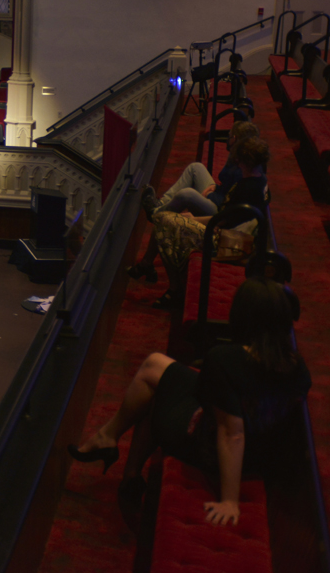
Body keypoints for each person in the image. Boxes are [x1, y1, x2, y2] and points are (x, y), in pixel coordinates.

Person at [68, 278, 309, 527]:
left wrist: (230, 500)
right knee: (154, 366)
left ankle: (121, 459)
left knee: (154, 392)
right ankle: (115, 450)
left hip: (212, 450)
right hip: (259, 452)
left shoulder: (225, 359)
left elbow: (232, 433)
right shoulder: (297, 367)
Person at [140, 135, 270, 310]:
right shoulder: (259, 179)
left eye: (239, 160)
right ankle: (156, 273)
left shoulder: (247, 187)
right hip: (233, 231)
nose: (237, 163)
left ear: (245, 162)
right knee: (167, 219)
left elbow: (222, 221)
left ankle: (175, 289)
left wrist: (192, 219)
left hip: (229, 241)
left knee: (164, 221)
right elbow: (228, 216)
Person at [127, 121, 260, 284]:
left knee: (185, 196)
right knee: (195, 168)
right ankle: (159, 207)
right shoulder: (238, 158)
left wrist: (202, 207)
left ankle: (155, 215)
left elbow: (227, 211)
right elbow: (227, 187)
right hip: (220, 198)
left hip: (219, 214)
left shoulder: (245, 174)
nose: (227, 138)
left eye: (230, 136)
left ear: (236, 139)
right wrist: (215, 188)